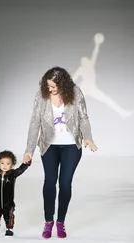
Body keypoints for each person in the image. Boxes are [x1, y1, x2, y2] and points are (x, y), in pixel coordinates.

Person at [23, 67, 98, 239]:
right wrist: (29, 150)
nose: (50, 89)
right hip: (49, 145)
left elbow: (84, 118)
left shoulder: (76, 93)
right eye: (48, 86)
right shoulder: (41, 96)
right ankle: (48, 222)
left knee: (65, 184)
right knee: (50, 182)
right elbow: (35, 123)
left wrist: (88, 138)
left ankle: (61, 222)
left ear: (63, 84)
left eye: (54, 87)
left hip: (71, 146)